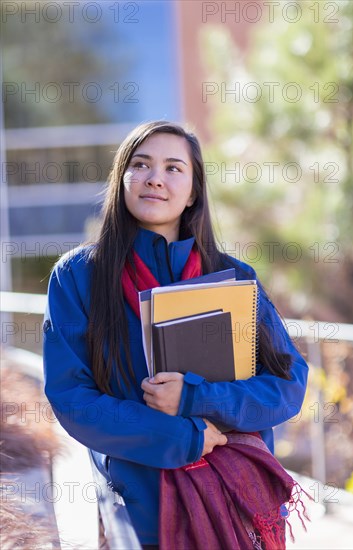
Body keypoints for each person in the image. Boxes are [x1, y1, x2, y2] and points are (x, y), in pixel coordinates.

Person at [43, 121, 309, 549]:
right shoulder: (79, 276)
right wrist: (181, 437)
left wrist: (194, 399)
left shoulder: (234, 278)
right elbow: (73, 399)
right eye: (141, 164)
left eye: (173, 168)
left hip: (236, 497)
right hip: (137, 500)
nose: (155, 178)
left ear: (193, 191)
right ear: (122, 179)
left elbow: (288, 385)